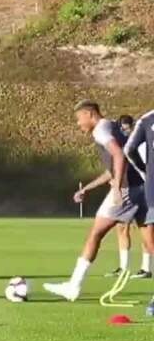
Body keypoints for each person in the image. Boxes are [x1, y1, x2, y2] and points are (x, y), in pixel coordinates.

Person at [46, 101, 153, 301]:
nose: (79, 124)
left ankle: (73, 286)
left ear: (90, 113)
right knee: (150, 242)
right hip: (144, 187)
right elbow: (113, 167)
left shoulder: (101, 131)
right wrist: (87, 188)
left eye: (79, 119)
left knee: (95, 233)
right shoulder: (113, 126)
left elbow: (119, 156)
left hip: (127, 189)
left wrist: (118, 188)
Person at [114, 114, 154, 278]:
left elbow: (129, 150)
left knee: (147, 233)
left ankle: (144, 268)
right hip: (141, 188)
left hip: (145, 189)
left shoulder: (147, 120)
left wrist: (146, 173)